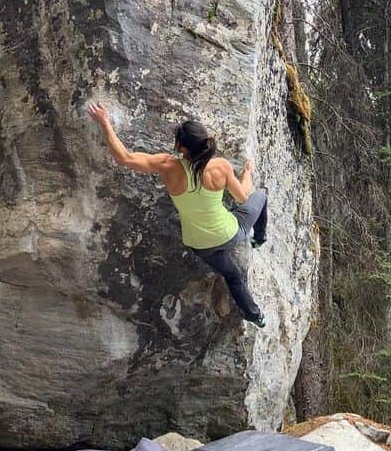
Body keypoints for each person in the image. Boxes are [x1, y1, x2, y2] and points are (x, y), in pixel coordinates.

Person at [87, 102, 269, 328]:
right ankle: (259, 238)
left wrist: (104, 122)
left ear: (182, 149)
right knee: (260, 196)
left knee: (232, 275)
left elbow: (125, 158)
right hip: (231, 233)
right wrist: (248, 173)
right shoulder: (220, 167)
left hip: (200, 245)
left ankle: (256, 316)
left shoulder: (168, 166)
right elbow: (244, 197)